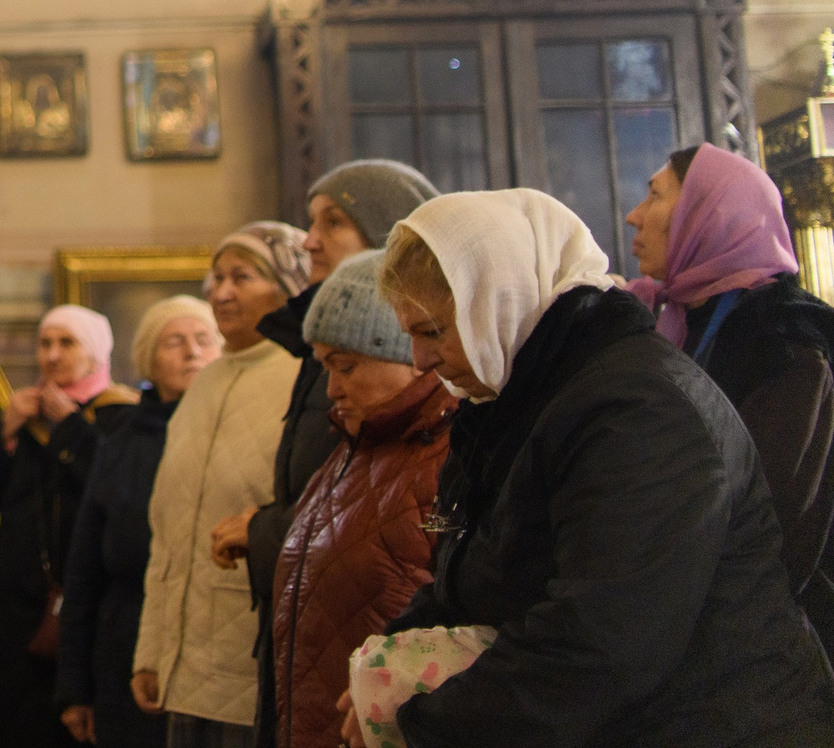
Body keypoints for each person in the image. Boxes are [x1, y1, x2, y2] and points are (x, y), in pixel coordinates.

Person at [345, 189, 834, 747]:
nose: (420, 360)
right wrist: (378, 674)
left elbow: (602, 644)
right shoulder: (511, 402)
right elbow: (472, 580)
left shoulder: (640, 411)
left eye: (433, 331)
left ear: (502, 298)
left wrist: (419, 725)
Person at [218, 161, 435, 739]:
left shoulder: (438, 445)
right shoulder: (354, 434)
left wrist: (263, 529)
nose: (309, 240)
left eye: (333, 221)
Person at [627, 143, 834, 650]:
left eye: (655, 195)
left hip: (762, 633)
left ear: (709, 213)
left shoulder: (783, 339)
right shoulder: (674, 319)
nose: (635, 215)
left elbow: (776, 522)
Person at [268, 251, 453, 748]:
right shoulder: (352, 449)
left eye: (346, 366)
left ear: (408, 356)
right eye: (325, 368)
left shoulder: (447, 456)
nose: (332, 390)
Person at [134, 223, 308, 748]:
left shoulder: (303, 377)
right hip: (184, 664)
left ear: (288, 285)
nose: (221, 292)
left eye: (242, 277)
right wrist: (151, 651)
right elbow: (167, 535)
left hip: (253, 660)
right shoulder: (204, 384)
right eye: (217, 278)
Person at [0, 305, 142, 744]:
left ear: (95, 352)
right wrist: (3, 433)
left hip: (91, 599)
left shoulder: (121, 414)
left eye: (67, 343)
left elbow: (116, 490)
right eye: (45, 343)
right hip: (22, 607)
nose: (52, 355)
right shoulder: (24, 418)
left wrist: (69, 426)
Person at [61, 297, 223, 747]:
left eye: (204, 339)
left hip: (215, 643)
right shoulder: (121, 443)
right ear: (149, 359)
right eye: (175, 342)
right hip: (125, 645)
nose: (192, 352)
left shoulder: (239, 432)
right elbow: (84, 571)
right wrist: (75, 688)